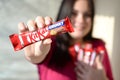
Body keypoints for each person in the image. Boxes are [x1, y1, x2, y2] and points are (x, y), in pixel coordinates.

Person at [18, 0, 114, 80]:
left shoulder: (99, 46)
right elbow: (38, 56)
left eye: (87, 14)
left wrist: (102, 79)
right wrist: (35, 56)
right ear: (64, 13)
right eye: (74, 13)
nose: (81, 20)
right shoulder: (50, 43)